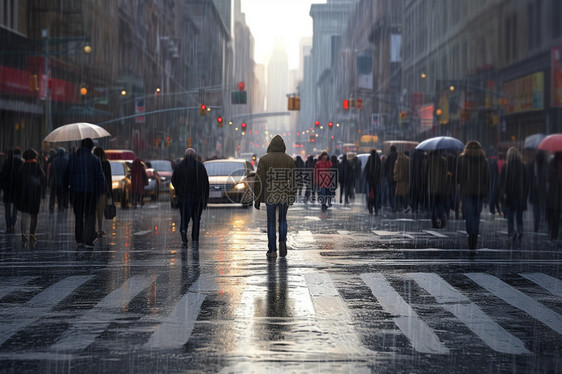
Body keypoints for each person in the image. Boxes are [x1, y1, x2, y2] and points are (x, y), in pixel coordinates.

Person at [254, 135, 296, 258]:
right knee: (282, 220)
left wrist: (257, 198)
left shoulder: (264, 159)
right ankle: (282, 242)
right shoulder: (289, 160)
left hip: (270, 195)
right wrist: (292, 195)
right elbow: (293, 180)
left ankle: (272, 250)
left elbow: (259, 180)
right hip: (284, 195)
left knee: (271, 222)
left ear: (271, 145)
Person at [64, 138, 106, 248]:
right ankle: (88, 239)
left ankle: (79, 239)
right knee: (90, 215)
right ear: (91, 147)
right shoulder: (95, 159)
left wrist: (65, 188)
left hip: (76, 192)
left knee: (78, 216)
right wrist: (101, 190)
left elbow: (67, 173)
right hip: (90, 192)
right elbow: (100, 177)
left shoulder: (73, 158)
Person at [171, 148, 209, 247]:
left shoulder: (179, 166)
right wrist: (204, 198)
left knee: (184, 217)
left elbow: (173, 181)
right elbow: (205, 183)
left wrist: (179, 191)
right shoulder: (200, 166)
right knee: (196, 219)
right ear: (195, 156)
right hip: (197, 199)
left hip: (184, 198)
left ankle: (183, 229)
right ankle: (195, 238)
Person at [457, 141, 489, 250]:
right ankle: (474, 234)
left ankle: (470, 233)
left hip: (466, 191)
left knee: (469, 215)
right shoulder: (484, 160)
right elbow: (487, 178)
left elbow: (459, 175)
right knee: (476, 215)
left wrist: (460, 185)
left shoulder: (462, 159)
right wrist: (485, 191)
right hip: (479, 192)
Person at [499, 147, 529, 247]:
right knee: (519, 217)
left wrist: (503, 193)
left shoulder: (505, 166)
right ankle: (520, 231)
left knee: (510, 217)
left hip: (509, 195)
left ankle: (511, 234)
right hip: (519, 195)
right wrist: (525, 194)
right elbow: (526, 183)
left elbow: (502, 182)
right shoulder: (523, 166)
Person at [15, 149, 45, 245]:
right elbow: (43, 177)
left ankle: (23, 234)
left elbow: (18, 181)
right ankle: (32, 233)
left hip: (24, 194)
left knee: (24, 214)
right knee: (34, 215)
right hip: (35, 194)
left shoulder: (23, 166)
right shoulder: (37, 166)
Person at [1, 147, 23, 233]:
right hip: (17, 190)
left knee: (7, 209)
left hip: (7, 189)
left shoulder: (7, 162)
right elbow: (22, 177)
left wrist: (3, 186)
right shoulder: (21, 163)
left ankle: (8, 226)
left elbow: (2, 175)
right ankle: (13, 225)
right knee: (15, 209)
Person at [527, 150, 547, 233]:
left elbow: (529, 178)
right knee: (541, 209)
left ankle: (537, 226)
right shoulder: (546, 166)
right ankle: (540, 225)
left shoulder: (532, 165)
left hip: (535, 191)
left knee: (536, 210)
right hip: (541, 192)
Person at [93, 147, 112, 237]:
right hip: (103, 189)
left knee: (93, 209)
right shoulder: (106, 163)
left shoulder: (94, 162)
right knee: (100, 210)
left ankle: (92, 228)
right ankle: (100, 228)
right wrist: (109, 192)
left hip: (93, 189)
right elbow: (108, 178)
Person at [427, 151, 448, 228]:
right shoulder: (443, 160)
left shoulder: (430, 160)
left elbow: (427, 173)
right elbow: (445, 173)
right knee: (440, 204)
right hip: (441, 186)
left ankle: (434, 221)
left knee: (434, 204)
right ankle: (442, 219)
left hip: (432, 186)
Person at [546, 152, 562, 241]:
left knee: (551, 214)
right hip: (559, 194)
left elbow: (548, 177)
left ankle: (551, 232)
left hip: (552, 193)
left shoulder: (552, 162)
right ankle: (555, 233)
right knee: (557, 214)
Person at [48, 147, 69, 213]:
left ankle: (51, 206)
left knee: (53, 195)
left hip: (55, 180)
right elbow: (68, 171)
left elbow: (52, 170)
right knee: (61, 195)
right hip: (62, 181)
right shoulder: (66, 160)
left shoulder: (55, 160)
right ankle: (61, 206)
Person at [364, 149, 381, 215]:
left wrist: (367, 177)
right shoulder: (378, 159)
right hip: (376, 181)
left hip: (370, 180)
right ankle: (376, 209)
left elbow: (366, 169)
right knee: (376, 195)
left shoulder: (370, 159)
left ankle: (370, 207)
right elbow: (380, 170)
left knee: (369, 195)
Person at [384, 145, 398, 211]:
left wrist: (386, 174)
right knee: (396, 191)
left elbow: (386, 166)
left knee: (390, 191)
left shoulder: (389, 156)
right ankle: (396, 204)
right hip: (397, 176)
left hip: (390, 177)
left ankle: (392, 205)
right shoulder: (398, 156)